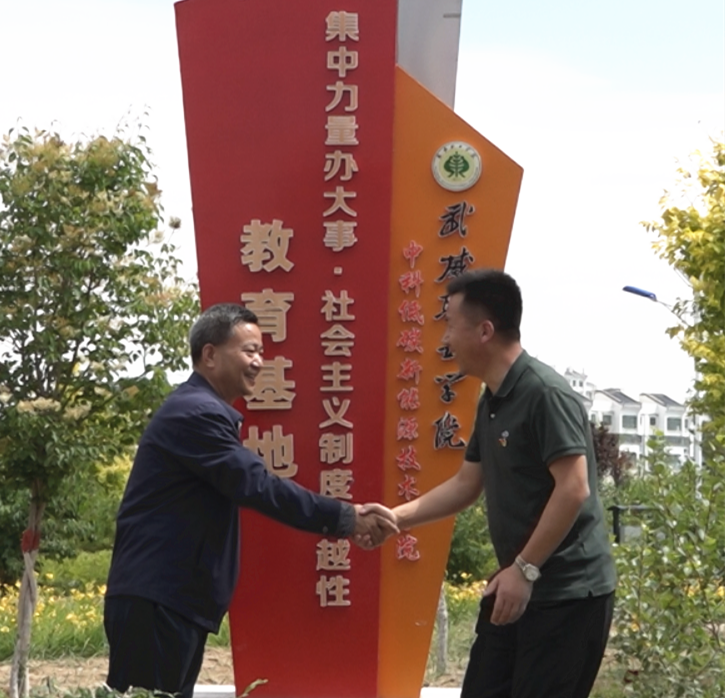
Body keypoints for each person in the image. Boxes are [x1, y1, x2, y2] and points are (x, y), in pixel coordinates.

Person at [104, 303, 397, 698]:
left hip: (169, 602)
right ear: (210, 355)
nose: (259, 362)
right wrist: (347, 518)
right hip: (157, 602)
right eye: (248, 351)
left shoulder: (201, 410)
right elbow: (258, 485)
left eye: (261, 351)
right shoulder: (196, 414)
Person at [365, 269, 615, 698]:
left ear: (484, 331)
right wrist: (395, 519)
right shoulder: (493, 401)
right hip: (517, 586)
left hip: (568, 596)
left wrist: (525, 569)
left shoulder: (545, 393)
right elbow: (467, 483)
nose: (445, 339)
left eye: (450, 325)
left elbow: (574, 488)